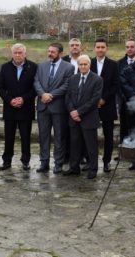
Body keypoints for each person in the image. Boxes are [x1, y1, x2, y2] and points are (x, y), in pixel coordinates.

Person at [33, 43, 74, 174]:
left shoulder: (69, 67)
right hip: (43, 107)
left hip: (58, 108)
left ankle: (58, 163)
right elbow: (36, 82)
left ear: (60, 54)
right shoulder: (41, 66)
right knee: (43, 136)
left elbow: (67, 85)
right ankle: (44, 163)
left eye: (53, 52)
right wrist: (42, 94)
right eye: (49, 51)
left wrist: (50, 95)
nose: (50, 53)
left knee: (59, 137)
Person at [62, 55, 103, 179]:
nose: (83, 66)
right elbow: (68, 97)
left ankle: (93, 169)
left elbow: (94, 100)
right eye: (81, 64)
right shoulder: (73, 79)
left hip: (88, 118)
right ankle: (74, 168)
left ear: (89, 65)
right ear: (78, 66)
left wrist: (79, 112)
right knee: (75, 144)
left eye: (85, 64)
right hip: (74, 119)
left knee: (91, 146)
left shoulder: (97, 79)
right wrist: (72, 112)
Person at [0, 43, 38, 171]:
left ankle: (25, 160)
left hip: (26, 108)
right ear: (12, 53)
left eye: (20, 52)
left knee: (26, 136)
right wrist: (10, 100)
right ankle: (7, 160)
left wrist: (23, 99)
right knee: (8, 136)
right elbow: (0, 88)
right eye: (15, 52)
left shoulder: (33, 67)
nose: (17, 55)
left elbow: (35, 88)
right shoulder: (4, 67)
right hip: (10, 108)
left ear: (25, 53)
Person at [90, 38, 120, 172]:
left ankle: (106, 161)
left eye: (103, 47)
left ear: (106, 49)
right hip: (91, 106)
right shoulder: (88, 63)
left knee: (108, 136)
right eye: (98, 47)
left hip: (107, 105)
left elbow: (115, 85)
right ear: (94, 49)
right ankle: (91, 161)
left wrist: (103, 99)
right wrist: (94, 100)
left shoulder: (114, 65)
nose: (100, 49)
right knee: (91, 135)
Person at [118, 39, 135, 143]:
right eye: (127, 47)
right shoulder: (118, 64)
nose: (129, 49)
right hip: (123, 101)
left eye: (132, 47)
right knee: (124, 128)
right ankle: (123, 152)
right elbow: (117, 84)